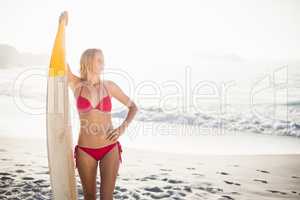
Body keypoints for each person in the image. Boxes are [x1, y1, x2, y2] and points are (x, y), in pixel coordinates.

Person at [58, 11, 138, 200]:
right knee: (89, 197)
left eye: (103, 60)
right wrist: (61, 27)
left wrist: (122, 129)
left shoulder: (109, 86)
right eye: (99, 60)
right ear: (88, 62)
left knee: (107, 198)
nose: (103, 63)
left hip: (110, 147)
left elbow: (133, 107)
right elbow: (61, 61)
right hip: (85, 150)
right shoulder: (76, 84)